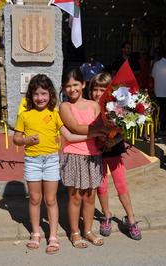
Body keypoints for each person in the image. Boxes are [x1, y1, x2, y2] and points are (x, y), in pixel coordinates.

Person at [13, 74, 90, 254]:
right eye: (36, 94)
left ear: (50, 95)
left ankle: (53, 236)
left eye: (44, 94)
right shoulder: (24, 115)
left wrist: (91, 135)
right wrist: (26, 140)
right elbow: (16, 139)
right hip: (32, 161)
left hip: (51, 160)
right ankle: (35, 233)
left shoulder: (54, 114)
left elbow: (69, 136)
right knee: (34, 198)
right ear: (31, 96)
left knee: (50, 199)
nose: (40, 98)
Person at [89, 72, 142, 241]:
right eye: (95, 89)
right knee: (101, 186)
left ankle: (131, 219)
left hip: (115, 150)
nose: (98, 93)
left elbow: (126, 129)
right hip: (97, 152)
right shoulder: (89, 107)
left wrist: (114, 141)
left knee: (121, 185)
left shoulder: (118, 106)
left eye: (102, 89)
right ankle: (106, 216)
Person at [59, 68, 105, 248]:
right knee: (75, 197)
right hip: (73, 155)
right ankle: (75, 232)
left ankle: (88, 230)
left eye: (76, 84)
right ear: (63, 88)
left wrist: (109, 133)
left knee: (90, 197)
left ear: (83, 84)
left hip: (94, 155)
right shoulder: (64, 107)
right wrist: (100, 131)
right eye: (68, 86)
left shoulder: (94, 105)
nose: (72, 89)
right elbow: (76, 128)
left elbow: (102, 126)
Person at [151, 46, 166, 133]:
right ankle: (163, 127)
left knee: (158, 110)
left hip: (158, 91)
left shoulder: (156, 64)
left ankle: (158, 126)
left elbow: (153, 75)